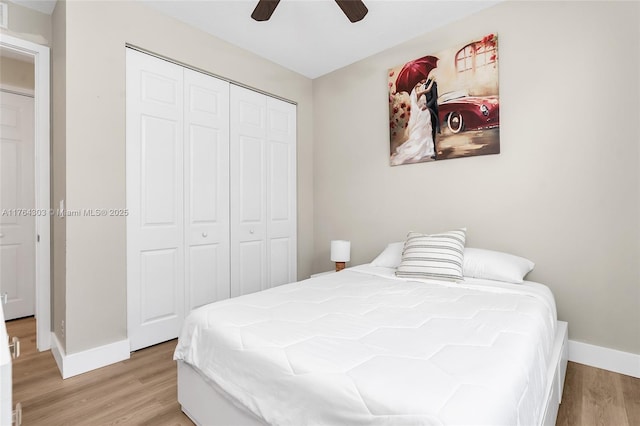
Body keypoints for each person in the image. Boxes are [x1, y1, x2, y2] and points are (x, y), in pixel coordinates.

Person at [390, 77, 435, 165]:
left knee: (426, 131)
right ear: (415, 87)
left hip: (425, 112)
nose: (420, 84)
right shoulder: (417, 93)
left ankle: (427, 149)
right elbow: (428, 90)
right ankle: (422, 150)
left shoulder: (418, 91)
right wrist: (432, 81)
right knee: (421, 132)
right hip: (422, 113)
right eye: (417, 83)